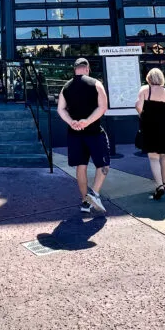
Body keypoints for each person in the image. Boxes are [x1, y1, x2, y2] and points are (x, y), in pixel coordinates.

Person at [57, 57, 110, 214]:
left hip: (75, 134)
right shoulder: (96, 83)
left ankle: (85, 202)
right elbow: (103, 107)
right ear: (87, 69)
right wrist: (87, 121)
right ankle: (94, 194)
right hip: (93, 132)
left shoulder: (65, 87)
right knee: (104, 165)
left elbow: (60, 109)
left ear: (75, 69)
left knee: (81, 167)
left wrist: (72, 122)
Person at [135, 67, 165, 200]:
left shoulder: (145, 89)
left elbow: (138, 106)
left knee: (153, 157)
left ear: (149, 78)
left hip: (150, 127)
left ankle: (159, 186)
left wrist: (143, 115)